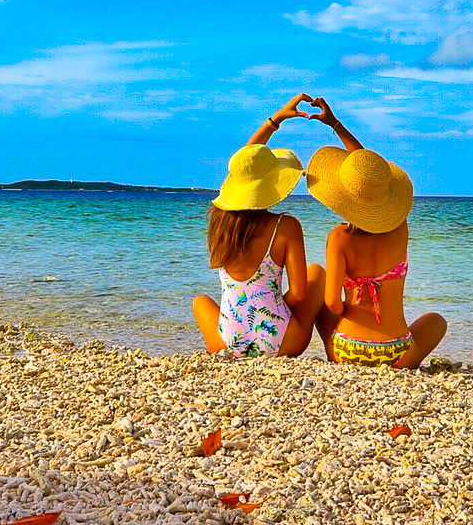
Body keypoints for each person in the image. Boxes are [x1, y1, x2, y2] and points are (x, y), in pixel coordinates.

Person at [307, 98, 447, 369]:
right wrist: (337, 125)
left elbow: (333, 304)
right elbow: (369, 179)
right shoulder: (400, 228)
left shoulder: (339, 239)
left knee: (323, 305)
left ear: (344, 199)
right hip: (398, 353)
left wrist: (335, 125)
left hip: (346, 350)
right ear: (387, 201)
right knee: (437, 321)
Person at [191, 95, 325, 358]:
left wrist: (274, 121)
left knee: (200, 303)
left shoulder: (219, 222)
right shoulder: (285, 226)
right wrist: (267, 310)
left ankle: (239, 342)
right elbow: (298, 294)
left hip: (228, 343)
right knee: (317, 274)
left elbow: (246, 165)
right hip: (282, 343)